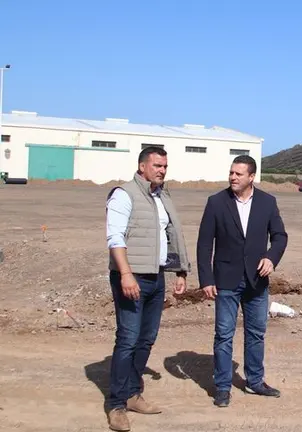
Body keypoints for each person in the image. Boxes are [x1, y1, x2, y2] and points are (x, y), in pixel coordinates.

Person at [104, 145, 191, 431]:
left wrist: (180, 271)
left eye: (165, 166)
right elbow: (115, 237)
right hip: (131, 277)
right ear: (142, 167)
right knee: (128, 338)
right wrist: (126, 274)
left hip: (156, 277)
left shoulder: (162, 196)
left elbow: (170, 235)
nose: (162, 170)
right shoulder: (124, 194)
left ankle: (132, 393)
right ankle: (116, 404)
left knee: (146, 338)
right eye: (157, 166)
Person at [196, 155, 289, 408]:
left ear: (251, 177)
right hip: (226, 280)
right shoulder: (216, 202)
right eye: (231, 173)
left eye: (238, 174)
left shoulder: (268, 202)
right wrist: (206, 278)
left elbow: (280, 236)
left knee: (256, 334)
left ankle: (255, 381)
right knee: (224, 335)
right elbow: (205, 244)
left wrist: (271, 258)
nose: (233, 177)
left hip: (257, 280)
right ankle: (223, 387)